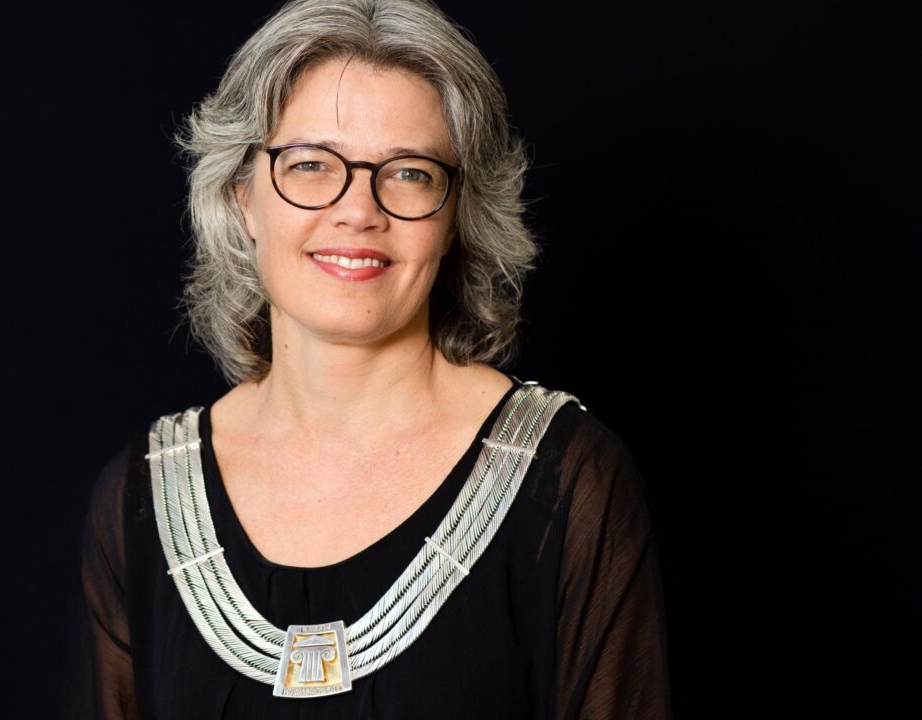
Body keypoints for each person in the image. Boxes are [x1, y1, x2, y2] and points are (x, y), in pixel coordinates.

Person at [69, 0, 671, 717]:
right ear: (242, 200)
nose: (359, 210)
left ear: (456, 215)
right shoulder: (140, 500)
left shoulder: (567, 482)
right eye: (310, 164)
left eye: (410, 173)